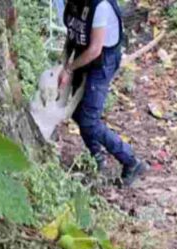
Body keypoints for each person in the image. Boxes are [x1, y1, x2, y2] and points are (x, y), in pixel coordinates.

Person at [58, 0, 148, 187]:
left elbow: (94, 50)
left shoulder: (100, 7)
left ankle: (131, 161)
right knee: (76, 111)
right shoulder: (73, 4)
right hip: (84, 56)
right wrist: (64, 64)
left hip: (101, 61)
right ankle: (97, 157)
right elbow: (72, 35)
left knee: (89, 121)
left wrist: (69, 68)